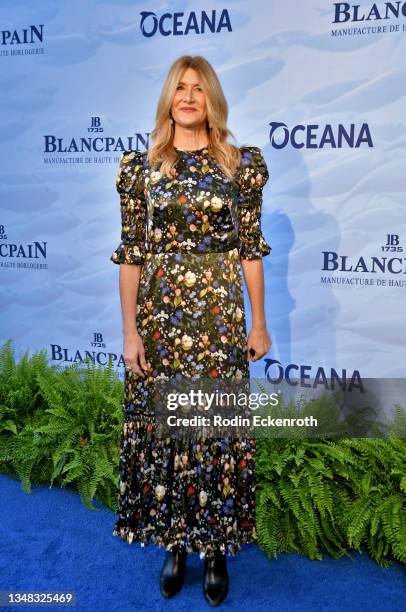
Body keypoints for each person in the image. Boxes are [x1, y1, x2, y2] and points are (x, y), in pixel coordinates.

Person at [110, 54, 272, 607]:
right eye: (180, 88)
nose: (188, 97)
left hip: (218, 317)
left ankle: (217, 547)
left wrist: (260, 322)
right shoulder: (141, 168)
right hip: (159, 318)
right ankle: (175, 542)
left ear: (211, 101)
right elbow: (131, 255)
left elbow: (249, 251)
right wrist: (130, 332)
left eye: (198, 90)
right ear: (168, 97)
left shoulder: (239, 165)